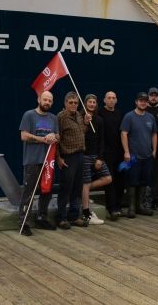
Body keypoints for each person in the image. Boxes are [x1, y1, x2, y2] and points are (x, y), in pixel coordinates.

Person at [18, 90, 60, 236]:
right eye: (45, 100)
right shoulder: (29, 115)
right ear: (38, 99)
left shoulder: (53, 118)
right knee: (28, 192)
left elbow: (58, 136)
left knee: (46, 191)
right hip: (33, 160)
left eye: (50, 100)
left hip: (48, 161)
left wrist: (54, 136)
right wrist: (42, 139)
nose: (47, 102)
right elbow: (23, 135)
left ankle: (41, 217)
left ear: (52, 102)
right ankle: (24, 223)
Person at [120, 92, 157, 218]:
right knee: (131, 181)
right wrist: (126, 152)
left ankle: (140, 206)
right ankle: (131, 207)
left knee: (144, 181)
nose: (143, 103)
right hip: (133, 156)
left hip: (147, 155)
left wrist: (154, 150)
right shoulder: (129, 116)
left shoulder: (150, 117)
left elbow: (154, 134)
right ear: (136, 102)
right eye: (141, 100)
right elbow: (124, 134)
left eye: (145, 101)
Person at [56, 92, 88, 229]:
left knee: (77, 187)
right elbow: (57, 140)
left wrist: (86, 123)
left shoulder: (80, 115)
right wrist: (58, 158)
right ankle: (62, 218)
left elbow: (81, 132)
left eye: (75, 102)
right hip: (68, 157)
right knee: (66, 187)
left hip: (80, 155)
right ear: (65, 103)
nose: (74, 105)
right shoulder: (61, 117)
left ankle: (74, 216)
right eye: (71, 102)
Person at [82, 94, 112, 225]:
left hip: (96, 155)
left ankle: (83, 192)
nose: (92, 104)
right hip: (83, 155)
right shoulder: (79, 117)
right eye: (89, 102)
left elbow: (101, 140)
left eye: (94, 102)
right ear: (85, 103)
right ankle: (86, 211)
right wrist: (84, 122)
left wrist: (100, 158)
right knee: (86, 182)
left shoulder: (99, 120)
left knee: (108, 178)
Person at [98, 91, 125, 220]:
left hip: (119, 152)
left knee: (120, 179)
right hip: (106, 153)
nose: (111, 100)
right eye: (109, 98)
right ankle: (112, 208)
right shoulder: (99, 113)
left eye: (113, 98)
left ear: (116, 100)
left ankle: (118, 206)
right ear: (104, 100)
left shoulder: (119, 114)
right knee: (109, 180)